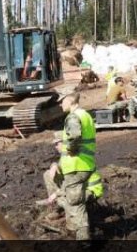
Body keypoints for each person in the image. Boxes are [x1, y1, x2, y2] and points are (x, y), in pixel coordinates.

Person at [42, 94, 102, 241]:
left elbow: (74, 136)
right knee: (73, 200)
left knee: (75, 203)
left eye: (62, 102)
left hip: (76, 165)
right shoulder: (85, 115)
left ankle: (83, 240)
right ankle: (71, 227)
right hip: (84, 164)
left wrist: (69, 150)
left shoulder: (73, 117)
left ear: (69, 100)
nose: (61, 105)